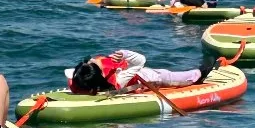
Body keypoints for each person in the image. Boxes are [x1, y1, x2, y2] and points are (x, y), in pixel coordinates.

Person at [68, 49, 218, 94]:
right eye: (92, 63)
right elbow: (140, 61)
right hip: (142, 77)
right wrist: (125, 55)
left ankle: (200, 72)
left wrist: (124, 55)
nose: (93, 60)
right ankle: (199, 73)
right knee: (168, 75)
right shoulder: (118, 80)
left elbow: (140, 61)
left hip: (142, 75)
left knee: (171, 76)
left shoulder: (82, 79)